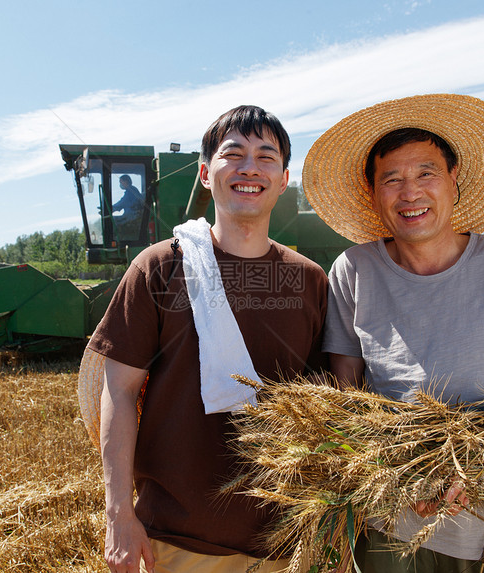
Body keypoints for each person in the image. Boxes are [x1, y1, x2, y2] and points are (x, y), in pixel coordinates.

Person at [302, 94, 484, 572]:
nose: (409, 192)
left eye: (425, 174)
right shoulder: (354, 270)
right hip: (391, 530)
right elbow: (345, 396)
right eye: (391, 179)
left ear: (455, 181)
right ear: (373, 193)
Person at [79, 105, 328, 572]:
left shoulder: (311, 281)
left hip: (286, 542)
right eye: (232, 154)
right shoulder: (159, 268)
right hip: (175, 541)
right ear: (205, 174)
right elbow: (118, 390)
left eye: (265, 157)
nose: (249, 167)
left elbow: (327, 406)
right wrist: (118, 514)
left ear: (284, 178)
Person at [111, 174, 144, 239]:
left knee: (112, 220)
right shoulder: (132, 190)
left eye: (121, 182)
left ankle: (117, 240)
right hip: (131, 216)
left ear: (126, 181)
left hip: (132, 217)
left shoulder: (131, 191)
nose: (120, 184)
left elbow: (122, 203)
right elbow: (122, 203)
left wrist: (109, 208)